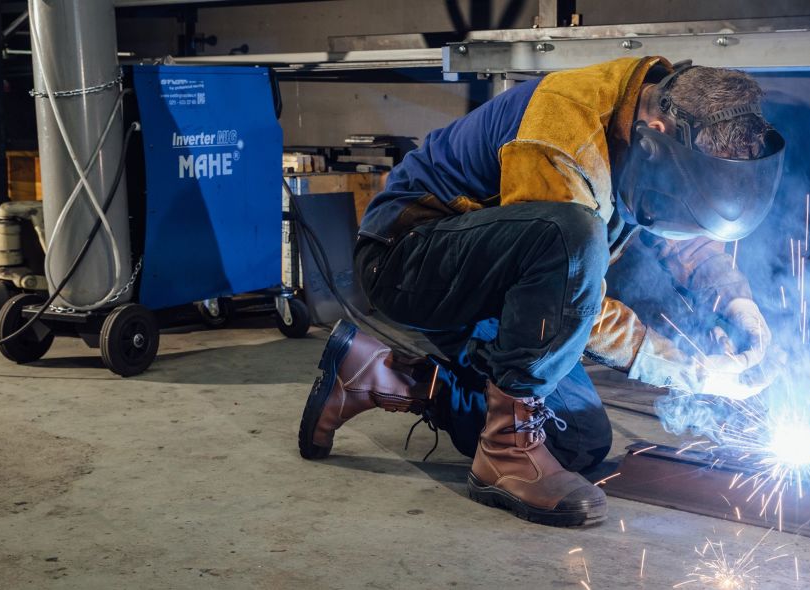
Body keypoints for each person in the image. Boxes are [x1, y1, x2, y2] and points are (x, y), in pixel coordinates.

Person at [297, 56, 785, 527]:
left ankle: (380, 375)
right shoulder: (564, 133)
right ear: (656, 136)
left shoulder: (657, 117)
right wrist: (693, 369)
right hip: (409, 260)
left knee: (577, 443)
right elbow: (571, 284)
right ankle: (505, 454)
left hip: (498, 282)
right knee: (570, 234)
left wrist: (735, 301)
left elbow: (681, 226)